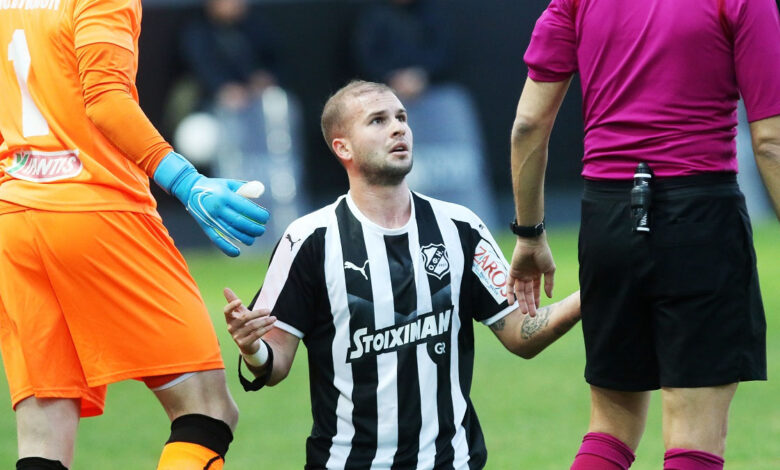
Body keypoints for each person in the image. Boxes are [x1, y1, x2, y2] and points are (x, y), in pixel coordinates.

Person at [222, 80, 582, 469]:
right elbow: (273, 362)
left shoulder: (461, 228)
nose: (398, 128)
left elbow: (519, 332)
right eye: (378, 120)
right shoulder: (309, 240)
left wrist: (595, 291)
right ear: (343, 147)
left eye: (401, 118)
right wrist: (252, 348)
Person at [507, 1, 779, 469]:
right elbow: (771, 142)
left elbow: (528, 125)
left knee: (609, 430)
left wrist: (530, 234)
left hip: (606, 221)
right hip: (699, 219)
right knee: (695, 436)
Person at [0, 0, 270, 469]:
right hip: (98, 211)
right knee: (208, 408)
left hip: (15, 215)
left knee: (43, 434)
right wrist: (187, 182)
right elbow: (105, 98)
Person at [351, 0, 499, 230]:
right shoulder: (372, 17)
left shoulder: (432, 14)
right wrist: (391, 78)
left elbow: (445, 50)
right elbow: (363, 55)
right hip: (384, 96)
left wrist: (422, 75)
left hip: (436, 102)